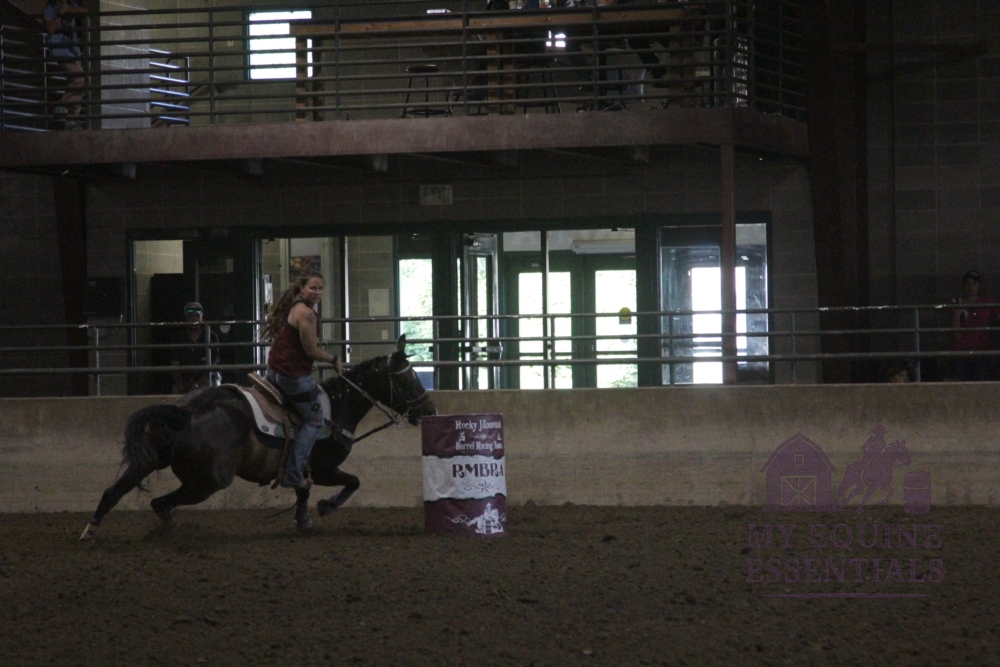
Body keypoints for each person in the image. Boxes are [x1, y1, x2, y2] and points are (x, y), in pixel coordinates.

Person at [263, 271, 341, 490]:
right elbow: (311, 350)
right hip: (292, 376)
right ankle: (293, 473)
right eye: (312, 288)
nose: (317, 292)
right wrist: (334, 360)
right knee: (315, 419)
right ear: (302, 289)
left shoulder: (294, 307)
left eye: (320, 288)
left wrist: (307, 362)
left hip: (274, 370)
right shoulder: (307, 314)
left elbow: (294, 345)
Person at [43, 0, 89, 129]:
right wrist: (61, 14)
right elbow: (51, 28)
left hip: (73, 51)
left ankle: (71, 120)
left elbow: (85, 11)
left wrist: (68, 10)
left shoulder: (69, 4)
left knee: (80, 84)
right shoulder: (50, 8)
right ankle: (62, 105)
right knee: (80, 78)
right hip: (61, 51)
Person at [950, 270, 999, 382]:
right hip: (961, 353)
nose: (970, 287)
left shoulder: (987, 302)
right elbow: (956, 337)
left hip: (980, 352)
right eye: (967, 283)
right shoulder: (958, 306)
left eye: (974, 283)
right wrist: (956, 316)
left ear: (979, 286)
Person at [170, 302, 220, 394]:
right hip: (184, 381)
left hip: (205, 380)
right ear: (186, 319)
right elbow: (175, 366)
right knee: (176, 393)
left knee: (208, 392)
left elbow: (211, 366)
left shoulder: (211, 337)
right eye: (190, 316)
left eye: (197, 316)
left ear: (202, 317)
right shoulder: (178, 338)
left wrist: (196, 385)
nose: (194, 319)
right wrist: (181, 387)